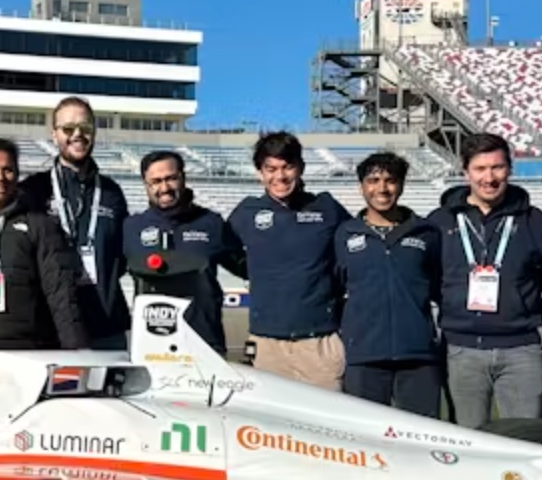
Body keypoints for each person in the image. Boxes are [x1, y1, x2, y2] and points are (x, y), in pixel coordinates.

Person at [428, 132, 542, 428]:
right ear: (465, 172)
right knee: (466, 442)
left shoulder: (533, 219)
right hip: (460, 349)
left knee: (526, 441)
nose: (489, 178)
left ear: (509, 170)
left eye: (497, 168)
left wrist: (517, 290)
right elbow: (428, 275)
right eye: (480, 168)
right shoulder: (440, 221)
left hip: (521, 350)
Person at [0, 139, 90, 384]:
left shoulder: (41, 225)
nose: (0, 177)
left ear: (17, 173)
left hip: (25, 355)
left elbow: (60, 292)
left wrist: (76, 351)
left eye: (8, 169)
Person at [227, 131, 351, 389]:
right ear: (260, 172)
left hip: (319, 343)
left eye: (287, 167)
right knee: (271, 428)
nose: (280, 177)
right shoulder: (246, 213)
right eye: (271, 168)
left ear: (301, 168)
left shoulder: (326, 208)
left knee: (327, 425)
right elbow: (226, 252)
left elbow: (353, 251)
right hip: (267, 344)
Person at [334, 152, 443, 417]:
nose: (382, 188)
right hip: (364, 358)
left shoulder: (426, 233)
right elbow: (333, 290)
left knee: (423, 440)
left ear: (402, 185)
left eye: (390, 180)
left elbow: (441, 287)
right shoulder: (345, 234)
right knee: (365, 442)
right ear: (361, 186)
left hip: (418, 357)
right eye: (373, 180)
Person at [19, 96, 130, 348]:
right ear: (54, 134)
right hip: (50, 326)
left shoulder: (112, 192)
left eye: (86, 128)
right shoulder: (33, 190)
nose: (78, 135)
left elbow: (121, 257)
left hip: (106, 323)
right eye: (68, 129)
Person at [121, 150, 247, 357]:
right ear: (146, 185)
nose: (164, 188)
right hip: (151, 345)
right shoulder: (130, 228)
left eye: (171, 178)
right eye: (156, 181)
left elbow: (247, 268)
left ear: (183, 177)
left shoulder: (212, 223)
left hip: (204, 343)